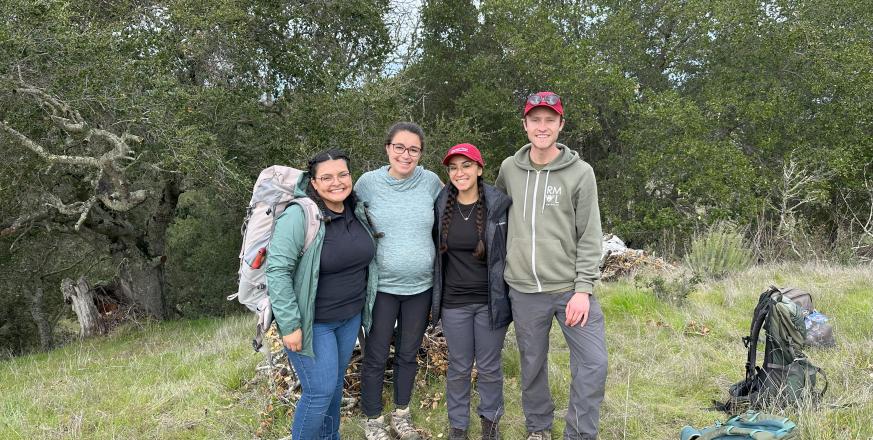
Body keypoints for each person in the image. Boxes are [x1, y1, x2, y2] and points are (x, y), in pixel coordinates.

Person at [494, 92, 607, 440]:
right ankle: (538, 430)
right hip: (524, 291)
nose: (542, 127)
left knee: (594, 363)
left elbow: (590, 235)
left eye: (549, 120)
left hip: (569, 291)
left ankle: (580, 434)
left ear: (560, 124)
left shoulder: (580, 173)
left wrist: (583, 290)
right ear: (525, 125)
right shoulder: (509, 169)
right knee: (531, 367)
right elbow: (496, 218)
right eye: (535, 120)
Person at [266, 149, 379, 440]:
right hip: (312, 322)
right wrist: (289, 324)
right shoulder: (300, 216)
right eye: (326, 177)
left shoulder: (355, 210)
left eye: (342, 174)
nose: (337, 182)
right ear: (313, 184)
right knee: (319, 392)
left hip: (349, 318)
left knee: (333, 386)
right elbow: (277, 271)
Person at [355, 122, 443, 440]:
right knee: (376, 355)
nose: (406, 155)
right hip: (382, 288)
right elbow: (349, 223)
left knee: (408, 353)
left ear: (420, 153)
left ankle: (401, 415)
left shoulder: (431, 183)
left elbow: (448, 218)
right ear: (387, 148)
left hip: (421, 287)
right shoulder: (368, 184)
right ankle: (373, 419)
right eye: (399, 147)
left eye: (413, 149)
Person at [431, 143, 512, 440]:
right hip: (454, 303)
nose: (459, 172)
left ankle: (490, 426)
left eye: (466, 165)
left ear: (479, 169)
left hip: (490, 301)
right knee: (459, 367)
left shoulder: (499, 205)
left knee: (490, 367)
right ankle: (458, 428)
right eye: (453, 167)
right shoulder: (440, 205)